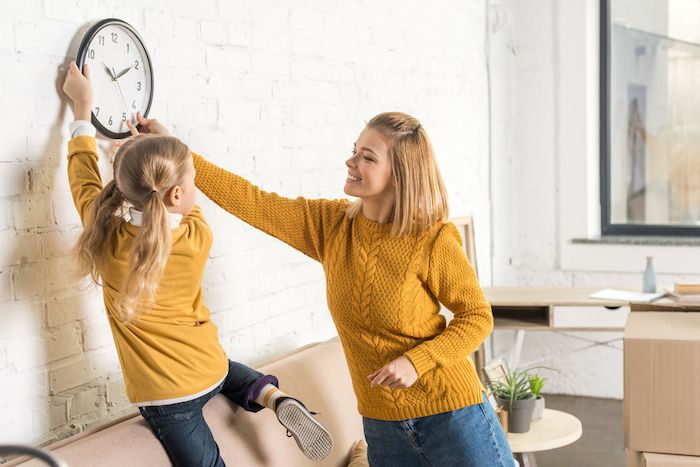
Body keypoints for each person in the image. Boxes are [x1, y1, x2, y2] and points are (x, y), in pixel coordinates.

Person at [125, 109, 513, 466]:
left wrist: (417, 362)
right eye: (354, 150)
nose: (351, 161)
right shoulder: (332, 226)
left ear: (401, 175)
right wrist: (178, 156)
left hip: (453, 415)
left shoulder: (433, 238)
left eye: (367, 157)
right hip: (382, 425)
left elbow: (477, 317)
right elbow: (253, 203)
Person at [61, 61, 333, 466]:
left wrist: (83, 107)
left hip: (169, 397)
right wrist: (163, 142)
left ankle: (262, 394)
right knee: (231, 371)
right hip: (210, 365)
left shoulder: (106, 242)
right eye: (190, 182)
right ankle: (269, 394)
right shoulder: (196, 236)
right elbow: (182, 199)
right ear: (175, 195)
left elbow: (82, 180)